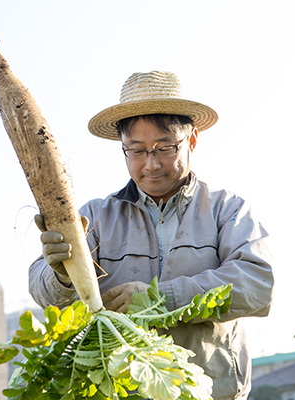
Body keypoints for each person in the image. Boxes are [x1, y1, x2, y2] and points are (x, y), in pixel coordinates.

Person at [29, 70, 274, 400]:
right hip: (123, 391)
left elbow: (257, 284)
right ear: (124, 149)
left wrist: (160, 298)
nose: (152, 164)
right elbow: (41, 289)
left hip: (213, 391)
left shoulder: (226, 210)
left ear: (192, 140)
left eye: (165, 147)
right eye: (137, 150)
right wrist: (63, 276)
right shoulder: (95, 217)